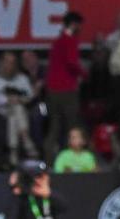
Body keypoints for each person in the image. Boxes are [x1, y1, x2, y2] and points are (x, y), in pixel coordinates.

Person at [44, 11, 84, 157]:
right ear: (74, 25)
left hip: (52, 90)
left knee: (54, 126)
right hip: (67, 90)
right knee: (72, 126)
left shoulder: (57, 42)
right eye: (79, 25)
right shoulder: (70, 41)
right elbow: (72, 63)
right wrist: (84, 74)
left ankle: (48, 160)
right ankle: (74, 159)